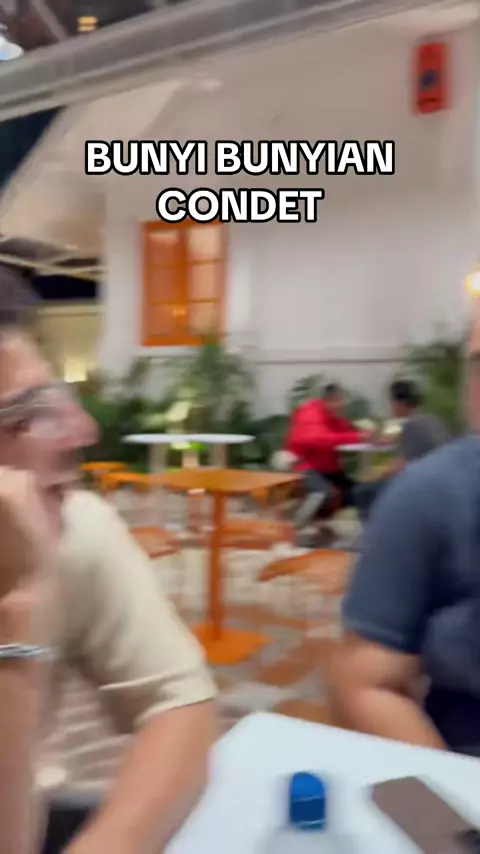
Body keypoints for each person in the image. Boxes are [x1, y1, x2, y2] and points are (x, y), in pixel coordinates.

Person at [0, 268, 217, 854]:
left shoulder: (69, 527)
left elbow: (179, 705)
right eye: (24, 416)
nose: (83, 431)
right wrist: (18, 617)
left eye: (57, 401)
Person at [328, 333, 480, 757]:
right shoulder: (431, 485)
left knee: (357, 492)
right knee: (351, 491)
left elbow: (396, 462)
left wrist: (376, 476)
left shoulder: (415, 440)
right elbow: (363, 683)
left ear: (398, 405)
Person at [354, 377, 448, 522]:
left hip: (421, 486)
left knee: (362, 491)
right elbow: (400, 442)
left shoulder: (411, 426)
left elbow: (399, 466)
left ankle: (375, 531)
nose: (390, 407)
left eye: (391, 402)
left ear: (399, 404)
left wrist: (373, 475)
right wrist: (377, 440)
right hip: (440, 483)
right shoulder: (432, 420)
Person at [284, 383, 368, 529]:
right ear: (326, 401)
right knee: (324, 493)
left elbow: (344, 432)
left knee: (361, 492)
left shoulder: (334, 416)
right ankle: (295, 527)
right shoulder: (310, 413)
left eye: (342, 401)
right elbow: (320, 439)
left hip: (329, 469)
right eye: (337, 401)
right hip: (304, 467)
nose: (341, 405)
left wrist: (366, 434)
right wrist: (358, 436)